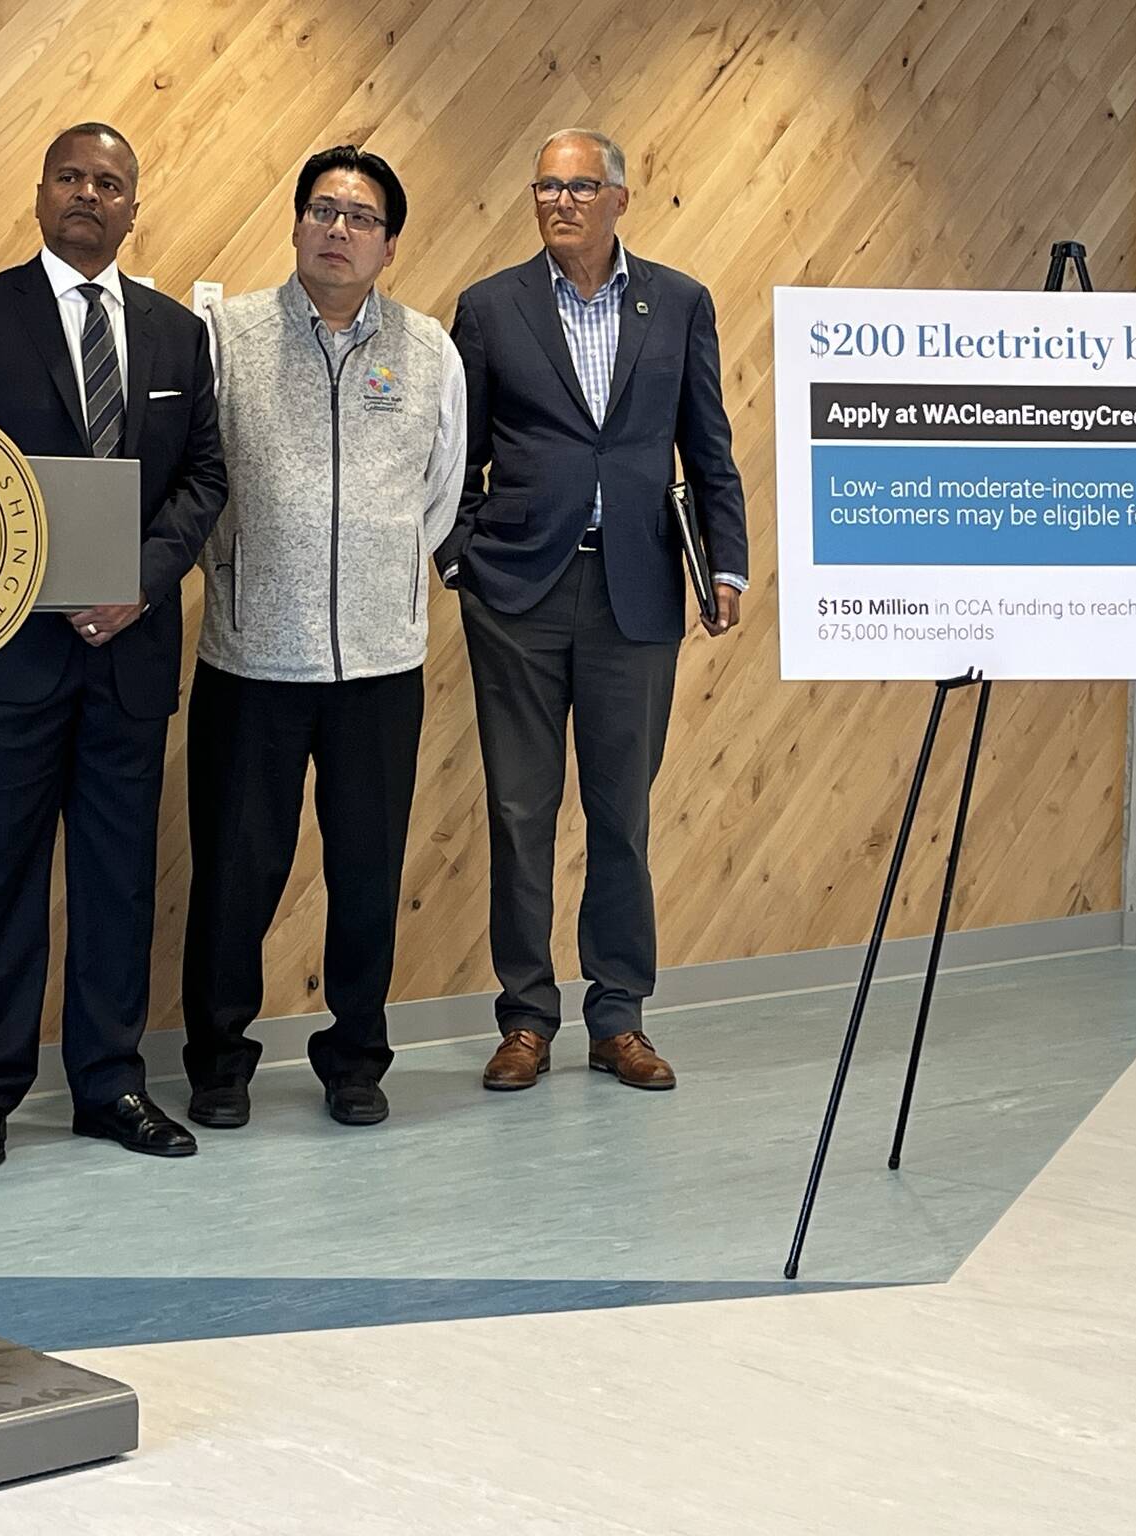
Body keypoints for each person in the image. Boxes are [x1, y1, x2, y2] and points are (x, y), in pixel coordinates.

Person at [0, 123, 227, 1171]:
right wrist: (42, 584)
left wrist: (137, 586)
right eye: (70, 177)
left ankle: (109, 1084)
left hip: (130, 654)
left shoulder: (177, 334)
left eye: (110, 182)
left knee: (117, 878)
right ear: (40, 191)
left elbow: (205, 478)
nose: (88, 194)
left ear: (132, 207)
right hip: (10, 650)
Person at [438, 129, 749, 1094]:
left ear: (621, 198)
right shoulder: (490, 309)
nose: (561, 202)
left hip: (639, 592)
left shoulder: (682, 302)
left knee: (622, 816)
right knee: (520, 811)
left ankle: (619, 1017)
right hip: (519, 595)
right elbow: (457, 451)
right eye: (545, 187)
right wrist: (461, 560)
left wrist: (727, 564)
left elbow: (710, 445)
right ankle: (525, 1019)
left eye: (580, 187)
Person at [182, 145, 464, 1130]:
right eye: (321, 209)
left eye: (359, 216)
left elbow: (439, 487)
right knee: (233, 871)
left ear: (388, 243)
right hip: (250, 659)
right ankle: (217, 1060)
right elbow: (198, 480)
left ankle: (355, 1058)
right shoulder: (225, 336)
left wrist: (380, 572)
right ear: (297, 223)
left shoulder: (427, 349)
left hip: (379, 669)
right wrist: (241, 571)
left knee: (365, 872)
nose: (337, 229)